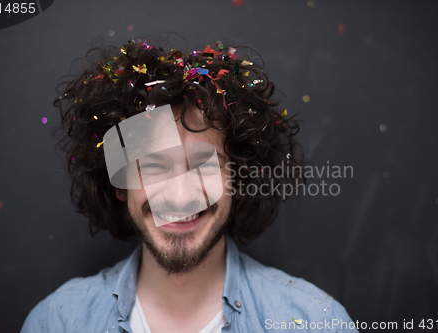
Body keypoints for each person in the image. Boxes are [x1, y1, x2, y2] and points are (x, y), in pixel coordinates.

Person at [21, 39, 358, 333]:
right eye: (153, 166)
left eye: (203, 166)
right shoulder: (58, 323)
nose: (180, 197)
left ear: (238, 179)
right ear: (119, 182)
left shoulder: (316, 323)